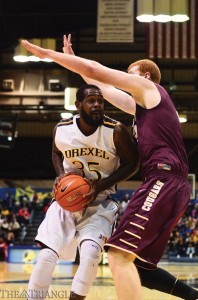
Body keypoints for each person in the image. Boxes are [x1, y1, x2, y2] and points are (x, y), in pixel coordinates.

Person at [21, 39, 193, 300]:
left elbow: (96, 70)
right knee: (136, 265)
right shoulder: (142, 107)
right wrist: (75, 62)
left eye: (129, 73)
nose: (124, 78)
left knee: (117, 255)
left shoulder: (149, 88)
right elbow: (99, 84)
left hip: (164, 178)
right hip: (169, 183)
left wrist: (49, 54)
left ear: (145, 76)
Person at [26, 84, 139, 300]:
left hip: (101, 202)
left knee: (90, 255)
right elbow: (55, 152)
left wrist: (101, 186)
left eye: (100, 101)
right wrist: (60, 175)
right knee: (47, 256)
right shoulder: (62, 129)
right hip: (66, 201)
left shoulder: (115, 131)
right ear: (79, 105)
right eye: (91, 101)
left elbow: (133, 163)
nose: (97, 104)